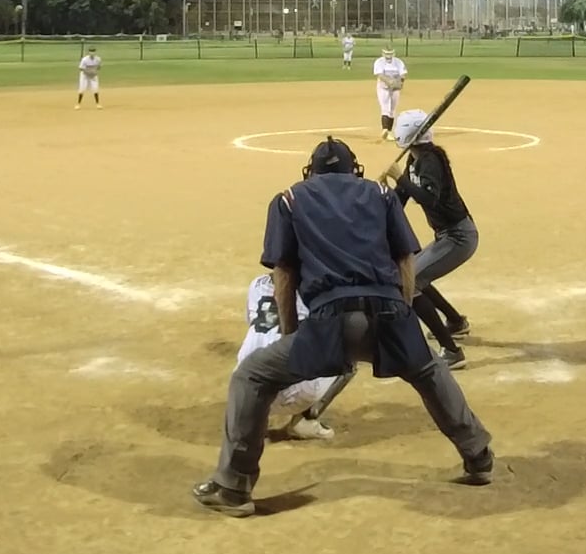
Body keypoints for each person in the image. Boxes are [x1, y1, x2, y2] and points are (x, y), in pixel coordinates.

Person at [191, 137, 492, 517]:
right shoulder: (382, 195)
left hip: (329, 321)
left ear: (311, 171)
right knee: (429, 371)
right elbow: (405, 262)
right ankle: (479, 455)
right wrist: (401, 318)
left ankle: (234, 488)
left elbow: (284, 275)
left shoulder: (288, 200)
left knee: (251, 376)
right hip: (389, 311)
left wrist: (293, 335)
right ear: (355, 169)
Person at [384, 109, 477, 370]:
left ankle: (452, 351)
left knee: (409, 283)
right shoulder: (415, 160)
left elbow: (429, 198)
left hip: (459, 237)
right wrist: (382, 194)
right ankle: (455, 322)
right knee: (413, 273)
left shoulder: (430, 160)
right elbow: (400, 199)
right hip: (447, 235)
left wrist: (400, 178)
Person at [236, 273, 355, 440]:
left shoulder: (256, 284)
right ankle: (304, 420)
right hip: (297, 392)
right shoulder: (319, 290)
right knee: (349, 345)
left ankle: (250, 419)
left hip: (247, 388)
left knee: (259, 346)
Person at [372, 48, 406, 140]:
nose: (388, 55)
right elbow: (380, 75)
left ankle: (389, 132)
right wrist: (389, 82)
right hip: (383, 88)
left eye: (390, 53)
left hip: (395, 89)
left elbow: (402, 74)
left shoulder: (398, 62)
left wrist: (400, 83)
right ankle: (385, 129)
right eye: (387, 53)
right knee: (385, 108)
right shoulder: (379, 62)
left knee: (392, 110)